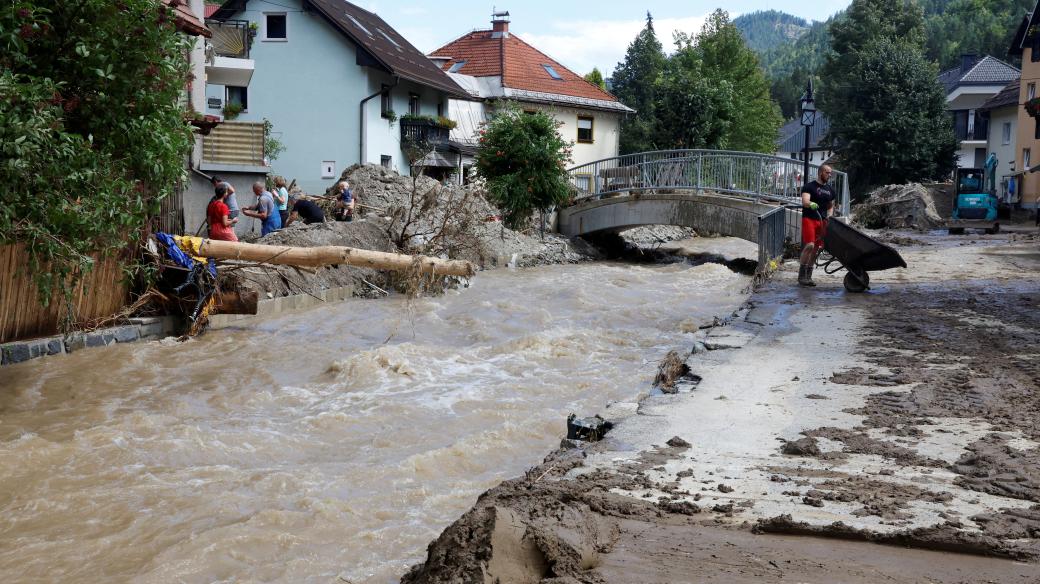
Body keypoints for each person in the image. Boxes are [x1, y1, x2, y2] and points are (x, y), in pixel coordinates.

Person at [798, 164, 835, 287]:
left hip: (822, 221)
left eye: (830, 173)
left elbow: (830, 206)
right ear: (820, 173)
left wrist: (829, 216)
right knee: (809, 245)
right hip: (809, 218)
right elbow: (805, 201)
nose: (829, 175)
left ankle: (808, 277)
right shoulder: (809, 187)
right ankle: (801, 275)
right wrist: (811, 203)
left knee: (816, 249)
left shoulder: (830, 190)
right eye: (827, 172)